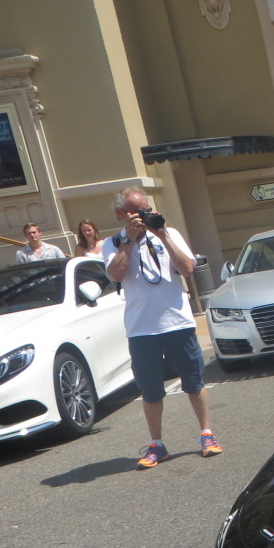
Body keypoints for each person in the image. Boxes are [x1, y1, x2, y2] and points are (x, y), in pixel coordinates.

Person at [103, 186, 222, 468]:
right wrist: (130, 242)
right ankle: (157, 445)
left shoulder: (169, 233)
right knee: (151, 390)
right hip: (142, 329)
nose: (143, 216)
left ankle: (207, 434)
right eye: (136, 212)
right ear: (122, 214)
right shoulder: (113, 243)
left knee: (193, 381)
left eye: (146, 210)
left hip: (177, 322)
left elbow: (187, 269)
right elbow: (117, 274)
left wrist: (163, 234)